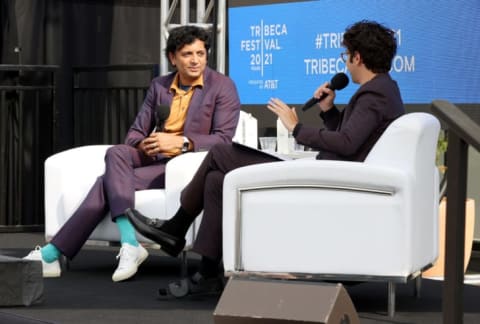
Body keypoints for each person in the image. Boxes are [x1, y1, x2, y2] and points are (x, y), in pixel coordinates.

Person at [127, 20, 405, 297]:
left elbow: (346, 143)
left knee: (221, 152)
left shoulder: (374, 94)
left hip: (324, 178)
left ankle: (176, 227)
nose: (346, 64)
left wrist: (296, 127)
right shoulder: (381, 90)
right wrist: (328, 110)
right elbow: (351, 137)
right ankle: (208, 273)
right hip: (327, 172)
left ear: (358, 57)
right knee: (216, 179)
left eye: (347, 56)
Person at [23, 25, 241, 282]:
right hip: (154, 158)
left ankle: (51, 254)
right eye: (187, 54)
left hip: (185, 166)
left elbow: (223, 140)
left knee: (105, 184)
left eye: (200, 54)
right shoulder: (159, 85)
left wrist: (182, 143)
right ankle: (129, 241)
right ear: (173, 57)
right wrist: (144, 144)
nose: (195, 60)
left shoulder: (223, 87)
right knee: (118, 152)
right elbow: (134, 134)